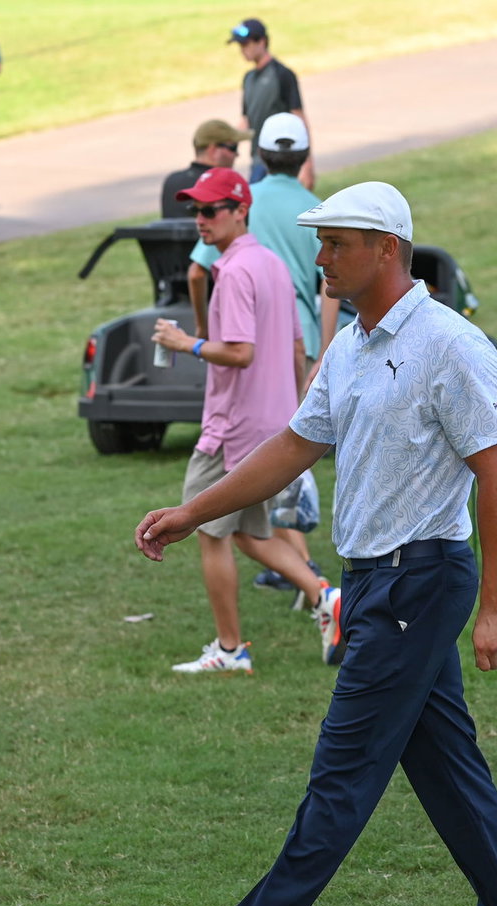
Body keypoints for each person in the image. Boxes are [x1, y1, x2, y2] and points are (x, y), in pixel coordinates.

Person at [141, 181, 497, 906]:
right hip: (377, 584)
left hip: (422, 581)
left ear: (387, 249)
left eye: (335, 243)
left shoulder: (451, 344)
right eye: (321, 243)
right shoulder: (354, 344)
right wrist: (194, 512)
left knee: (344, 772)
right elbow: (295, 444)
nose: (321, 258)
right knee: (447, 768)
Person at [147, 167, 339, 674]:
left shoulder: (232, 271)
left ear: (240, 211)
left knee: (207, 530)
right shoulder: (271, 262)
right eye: (196, 211)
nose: (201, 221)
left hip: (231, 426)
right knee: (249, 533)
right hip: (271, 422)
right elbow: (297, 343)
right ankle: (326, 595)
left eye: (210, 211)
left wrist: (182, 342)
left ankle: (231, 650)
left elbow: (238, 352)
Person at [191, 113, 340, 599]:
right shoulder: (317, 208)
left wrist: (194, 336)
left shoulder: (241, 228)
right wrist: (326, 346)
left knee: (256, 483)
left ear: (260, 155)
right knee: (282, 468)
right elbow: (329, 283)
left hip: (249, 350)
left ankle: (299, 589)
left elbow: (199, 272)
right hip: (297, 345)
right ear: (302, 158)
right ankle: (310, 581)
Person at [228, 18, 313, 189]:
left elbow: (299, 118)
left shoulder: (282, 74)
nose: (243, 50)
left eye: (246, 44)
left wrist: (307, 166)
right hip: (258, 158)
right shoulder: (248, 78)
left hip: (281, 160)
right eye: (240, 46)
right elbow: (246, 119)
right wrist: (228, 145)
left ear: (262, 42)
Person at [162, 119, 247, 219]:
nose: (237, 154)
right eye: (233, 148)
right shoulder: (226, 185)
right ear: (213, 150)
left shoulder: (172, 180)